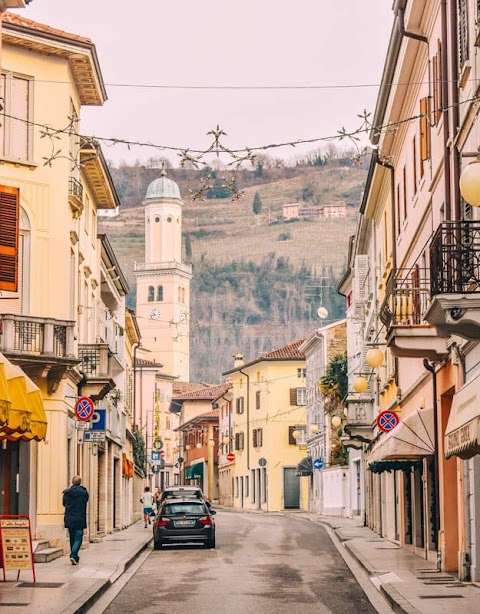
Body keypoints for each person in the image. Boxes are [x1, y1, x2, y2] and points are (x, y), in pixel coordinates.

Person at [63, 475, 89, 566]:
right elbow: (86, 501)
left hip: (69, 518)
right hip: (79, 518)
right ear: (80, 483)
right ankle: (73, 554)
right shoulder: (84, 493)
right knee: (78, 538)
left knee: (72, 538)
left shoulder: (67, 493)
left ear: (72, 482)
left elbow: (64, 503)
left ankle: (75, 557)